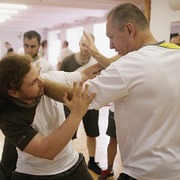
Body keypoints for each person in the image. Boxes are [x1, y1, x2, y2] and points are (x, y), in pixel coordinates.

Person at [43, 3, 180, 180]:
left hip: (144, 173)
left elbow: (81, 97)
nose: (111, 45)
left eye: (111, 37)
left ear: (130, 30)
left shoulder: (130, 65)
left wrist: (38, 83)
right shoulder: (175, 55)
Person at [0, 54, 103, 180]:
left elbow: (86, 74)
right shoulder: (8, 117)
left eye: (38, 74)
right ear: (14, 93)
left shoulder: (50, 78)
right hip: (35, 174)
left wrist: (111, 58)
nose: (42, 81)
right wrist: (76, 114)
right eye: (33, 82)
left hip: (72, 164)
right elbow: (47, 151)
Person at [0, 30, 53, 180]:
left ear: (39, 46)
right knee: (7, 163)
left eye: (33, 46)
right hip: (15, 123)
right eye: (26, 45)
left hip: (34, 123)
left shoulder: (47, 66)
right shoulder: (16, 60)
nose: (29, 50)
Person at [60, 34, 102, 175]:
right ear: (79, 44)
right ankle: (66, 161)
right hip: (72, 104)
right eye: (83, 44)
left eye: (89, 45)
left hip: (90, 103)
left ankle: (91, 160)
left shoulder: (98, 63)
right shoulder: (68, 61)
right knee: (68, 134)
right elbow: (60, 81)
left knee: (92, 133)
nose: (86, 48)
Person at [98, 103, 117, 180]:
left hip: (133, 112)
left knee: (132, 142)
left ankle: (131, 172)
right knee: (113, 140)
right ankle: (109, 170)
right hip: (114, 111)